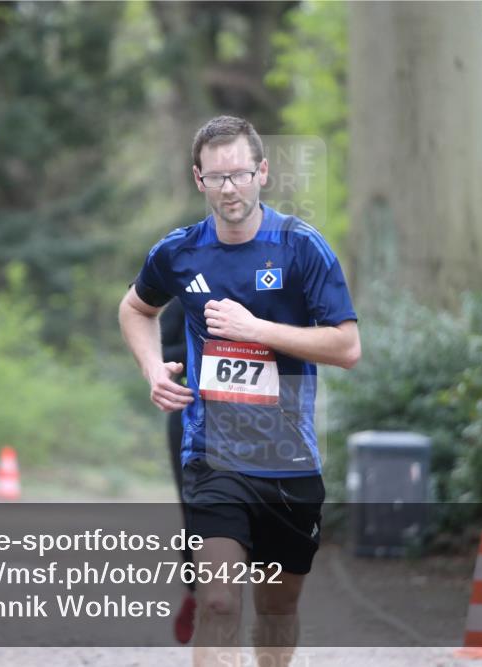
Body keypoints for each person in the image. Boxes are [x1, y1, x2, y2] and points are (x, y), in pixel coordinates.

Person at [119, 115, 360, 667]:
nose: (231, 188)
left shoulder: (302, 248)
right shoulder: (179, 253)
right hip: (213, 458)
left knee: (276, 612)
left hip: (290, 461)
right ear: (198, 181)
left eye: (241, 174)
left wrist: (258, 330)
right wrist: (154, 368)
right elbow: (135, 307)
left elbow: (347, 347)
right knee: (221, 602)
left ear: (262, 173)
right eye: (217, 177)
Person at [160, 299, 197, 644]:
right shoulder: (185, 284)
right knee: (195, 515)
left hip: (257, 419)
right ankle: (196, 594)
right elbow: (164, 351)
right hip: (189, 415)